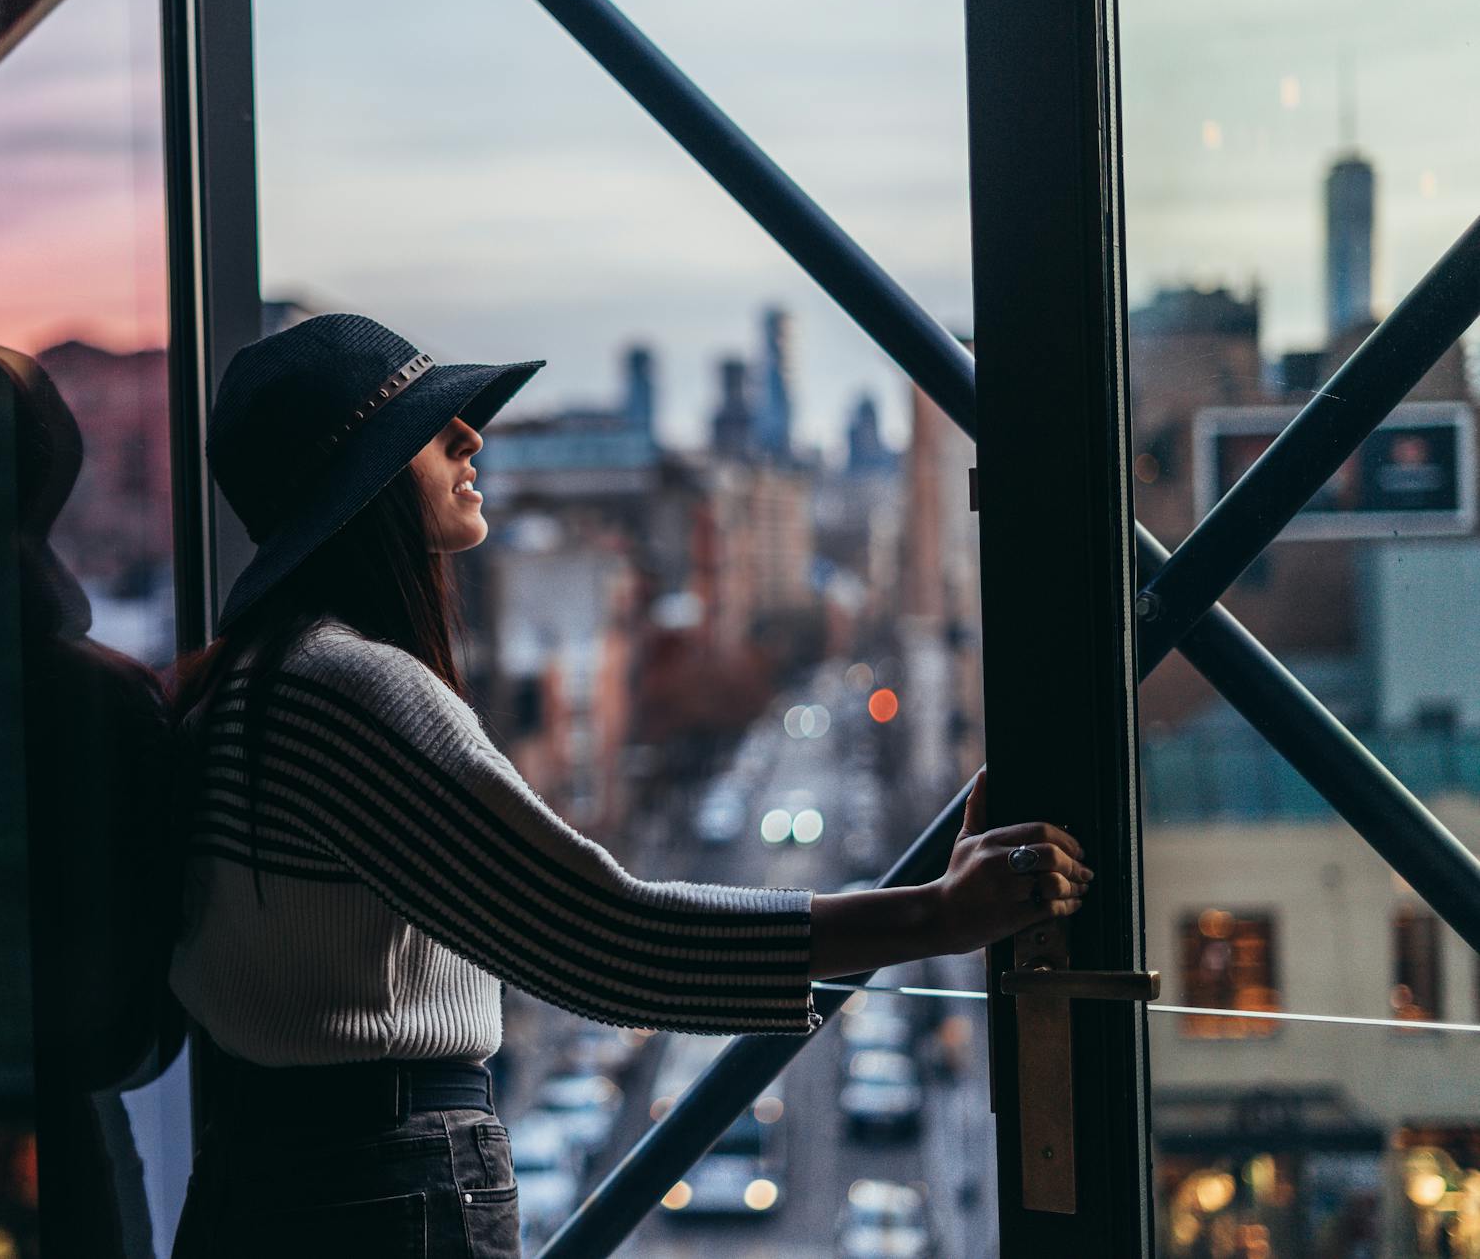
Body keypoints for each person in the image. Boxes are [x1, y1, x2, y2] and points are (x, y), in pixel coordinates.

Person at [165, 314, 1091, 1257]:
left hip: (279, 1179)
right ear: (355, 487)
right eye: (425, 429)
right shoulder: (348, 689)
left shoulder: (250, 689)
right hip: (377, 1192)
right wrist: (934, 916)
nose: (470, 437)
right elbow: (608, 939)